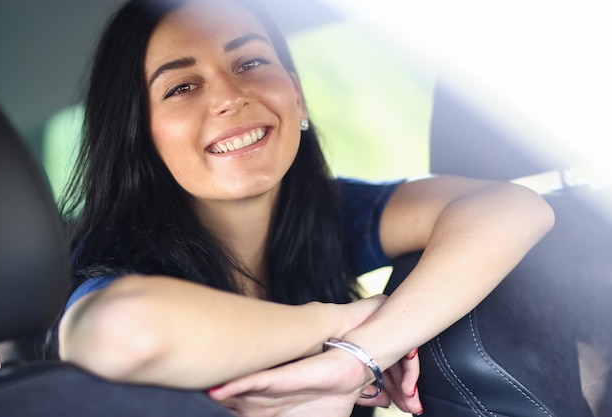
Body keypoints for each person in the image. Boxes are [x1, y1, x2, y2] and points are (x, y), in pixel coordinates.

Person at [54, 0, 555, 416]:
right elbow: (113, 331)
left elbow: (512, 208)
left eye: (250, 63)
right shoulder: (112, 267)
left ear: (297, 96)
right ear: (137, 136)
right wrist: (334, 323)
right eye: (182, 87)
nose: (231, 96)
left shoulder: (329, 212)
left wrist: (359, 355)